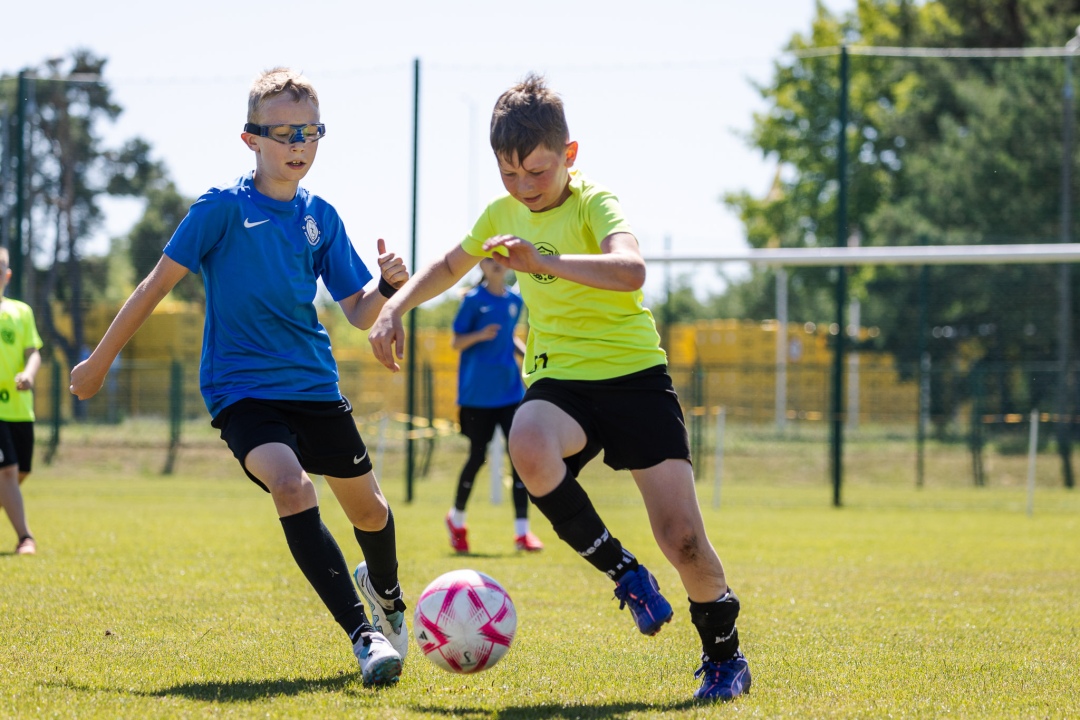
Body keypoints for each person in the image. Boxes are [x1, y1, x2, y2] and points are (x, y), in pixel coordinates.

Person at [368, 74, 751, 702]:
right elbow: (449, 264)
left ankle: (725, 657)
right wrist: (395, 308)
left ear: (569, 157)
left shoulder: (596, 203)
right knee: (528, 441)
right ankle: (624, 573)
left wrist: (541, 261)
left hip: (635, 380)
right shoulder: (502, 214)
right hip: (559, 378)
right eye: (509, 176)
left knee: (682, 539)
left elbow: (631, 270)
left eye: (538, 173)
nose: (523, 188)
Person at [69, 68, 410, 687]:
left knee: (371, 514)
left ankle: (385, 591)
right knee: (292, 485)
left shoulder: (321, 217)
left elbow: (357, 310)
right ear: (250, 139)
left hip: (314, 387)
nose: (299, 144)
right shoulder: (220, 208)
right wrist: (99, 362)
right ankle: (365, 639)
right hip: (242, 391)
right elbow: (153, 288)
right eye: (285, 133)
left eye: (310, 132)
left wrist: (387, 289)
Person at [447, 257, 543, 554]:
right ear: (481, 266)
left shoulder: (515, 300)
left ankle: (522, 533)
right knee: (477, 457)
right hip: (477, 395)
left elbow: (509, 337)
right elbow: (456, 342)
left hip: (511, 392)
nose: (496, 263)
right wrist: (479, 334)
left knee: (520, 460)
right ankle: (457, 521)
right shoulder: (473, 300)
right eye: (489, 259)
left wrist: (528, 359)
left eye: (502, 257)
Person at [0, 247, 43, 556]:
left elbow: (33, 353)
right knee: (7, 471)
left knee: (21, 471)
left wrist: (28, 375)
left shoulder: (21, 312)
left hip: (19, 409)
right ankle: (25, 537)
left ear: (7, 274)